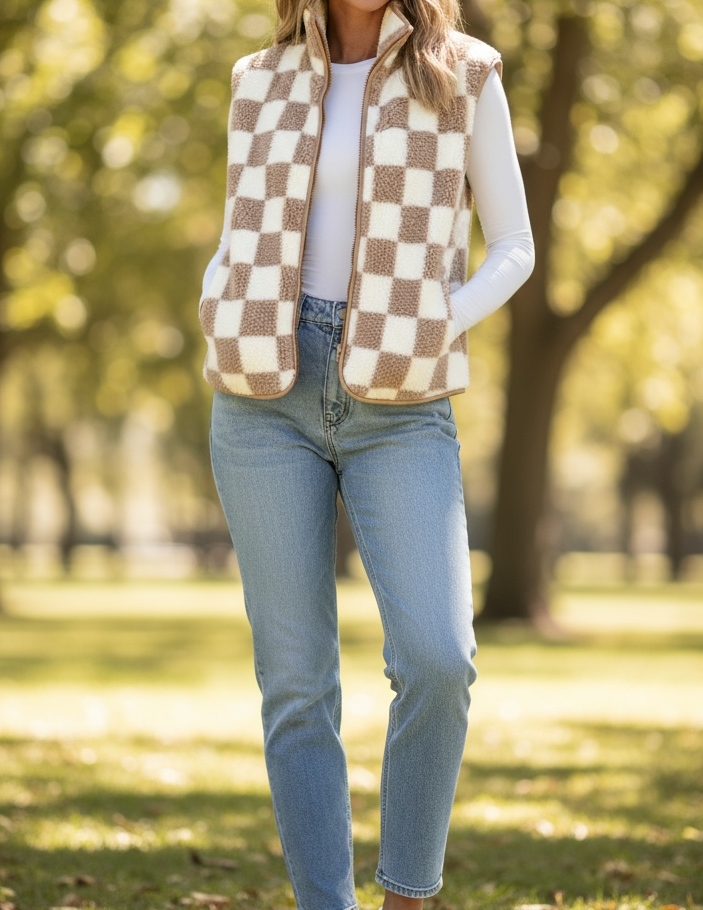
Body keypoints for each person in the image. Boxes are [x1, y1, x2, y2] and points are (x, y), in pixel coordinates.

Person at [197, 0, 534, 905]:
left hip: (403, 398)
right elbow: (239, 229)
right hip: (263, 395)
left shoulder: (462, 71)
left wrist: (432, 324)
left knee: (436, 657)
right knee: (296, 684)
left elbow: (512, 246)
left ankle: (407, 891)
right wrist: (215, 298)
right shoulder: (256, 79)